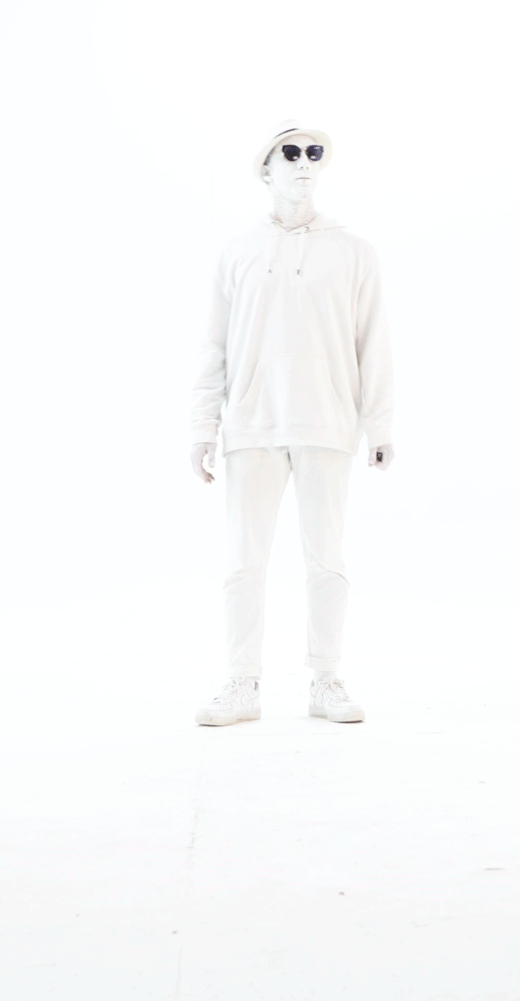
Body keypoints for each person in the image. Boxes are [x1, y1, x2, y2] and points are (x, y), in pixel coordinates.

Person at [187, 120, 396, 727]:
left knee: (326, 558)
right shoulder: (238, 252)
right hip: (252, 424)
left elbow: (374, 342)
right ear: (267, 169)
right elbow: (213, 345)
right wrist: (202, 426)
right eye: (291, 153)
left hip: (327, 423)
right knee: (243, 561)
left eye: (314, 154)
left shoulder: (353, 251)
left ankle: (326, 680)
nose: (305, 163)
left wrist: (380, 424)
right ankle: (241, 682)